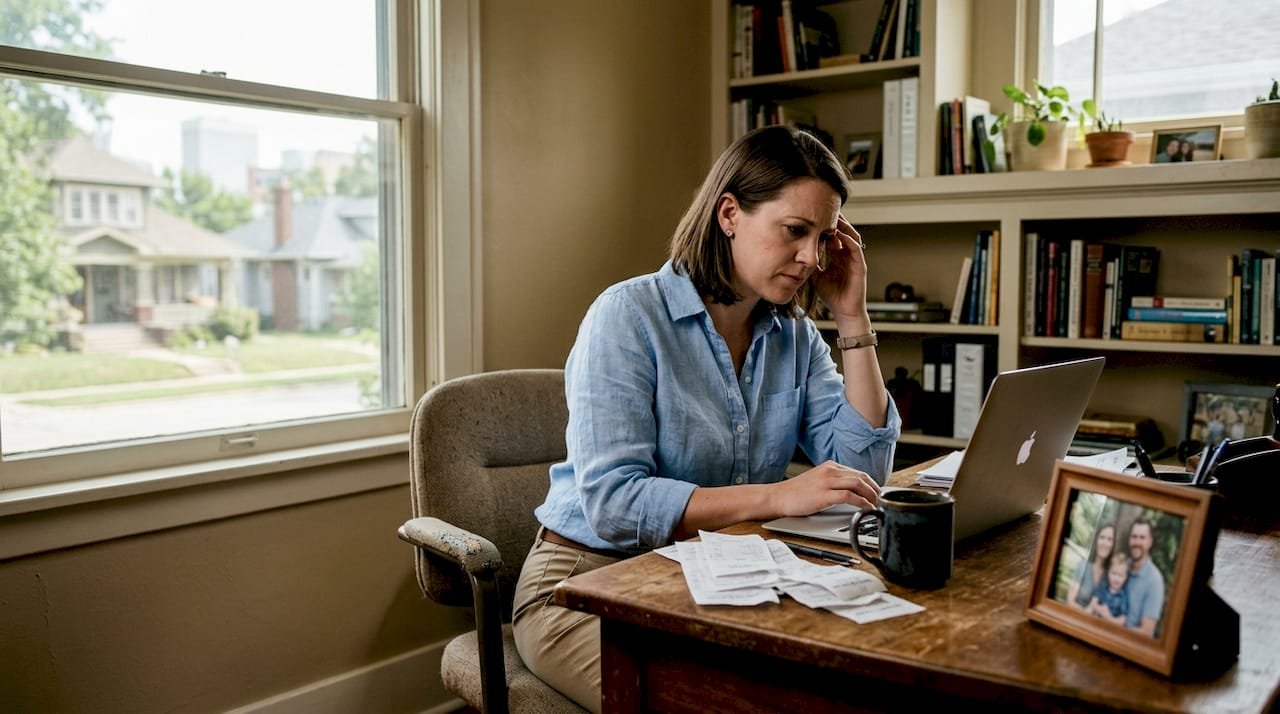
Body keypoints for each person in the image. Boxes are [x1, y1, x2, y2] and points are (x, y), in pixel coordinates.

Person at [511, 125, 900, 712]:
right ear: (729, 215)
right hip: (585, 584)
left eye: (824, 238)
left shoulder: (793, 335)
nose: (812, 259)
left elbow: (862, 471)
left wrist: (852, 316)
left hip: (721, 575)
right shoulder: (627, 316)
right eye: (795, 231)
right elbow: (614, 503)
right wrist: (775, 497)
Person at [1123, 519, 1165, 636]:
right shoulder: (1122, 566)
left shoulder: (1155, 581)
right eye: (1134, 537)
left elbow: (1146, 632)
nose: (1137, 542)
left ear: (1150, 542)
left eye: (1142, 538)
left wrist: (1113, 628)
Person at [1066, 523, 1115, 610]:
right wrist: (1086, 613)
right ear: (1096, 541)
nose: (1105, 542)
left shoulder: (1111, 576)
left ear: (1113, 545)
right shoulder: (1083, 566)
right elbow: (1070, 602)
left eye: (1109, 539)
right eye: (1102, 537)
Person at [1085, 551, 1131, 626]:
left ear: (1125, 578)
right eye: (1114, 573)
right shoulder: (1102, 588)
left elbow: (1122, 620)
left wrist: (1108, 617)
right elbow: (1093, 603)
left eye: (1120, 575)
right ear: (1109, 573)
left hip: (1109, 629)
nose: (1116, 578)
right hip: (1094, 623)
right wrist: (1099, 609)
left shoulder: (1123, 597)